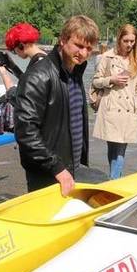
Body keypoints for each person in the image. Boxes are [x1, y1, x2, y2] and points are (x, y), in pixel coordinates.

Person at [14, 15, 99, 196]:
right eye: (79, 45)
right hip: (47, 173)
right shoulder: (38, 76)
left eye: (89, 49)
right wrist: (57, 168)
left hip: (70, 166)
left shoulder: (75, 72)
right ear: (62, 40)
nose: (83, 53)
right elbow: (25, 132)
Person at [91, 24, 137, 179]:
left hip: (128, 109)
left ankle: (113, 180)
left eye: (132, 41)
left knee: (121, 148)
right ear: (119, 39)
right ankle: (115, 178)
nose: (129, 45)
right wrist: (112, 79)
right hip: (110, 107)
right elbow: (96, 82)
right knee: (112, 148)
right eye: (126, 41)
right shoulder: (107, 57)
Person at [0, 22, 47, 95]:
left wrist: (3, 73)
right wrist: (12, 66)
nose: (15, 54)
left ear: (21, 45)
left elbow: (21, 100)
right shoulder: (44, 60)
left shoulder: (38, 67)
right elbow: (27, 82)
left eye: (13, 51)